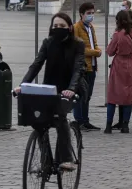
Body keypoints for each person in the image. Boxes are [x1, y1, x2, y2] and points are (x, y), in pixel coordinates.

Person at [16, 13, 85, 172]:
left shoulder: (77, 44)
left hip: (71, 88)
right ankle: (46, 162)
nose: (58, 29)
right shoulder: (48, 42)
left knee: (60, 118)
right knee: (39, 122)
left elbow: (78, 68)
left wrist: (71, 89)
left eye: (62, 26)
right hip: (50, 88)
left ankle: (67, 158)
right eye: (55, 26)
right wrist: (23, 85)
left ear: (69, 27)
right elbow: (36, 65)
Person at [105, 10, 132, 134]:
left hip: (119, 64)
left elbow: (110, 51)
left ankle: (108, 126)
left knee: (113, 94)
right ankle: (125, 126)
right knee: (129, 95)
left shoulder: (118, 34)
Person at [73, 2, 102, 131]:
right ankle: (79, 120)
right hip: (82, 67)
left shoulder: (91, 27)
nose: (91, 15)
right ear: (81, 14)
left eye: (92, 13)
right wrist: (96, 52)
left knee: (88, 95)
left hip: (92, 66)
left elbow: (94, 44)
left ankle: (85, 120)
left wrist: (97, 50)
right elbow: (78, 48)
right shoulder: (76, 28)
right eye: (88, 13)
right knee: (80, 95)